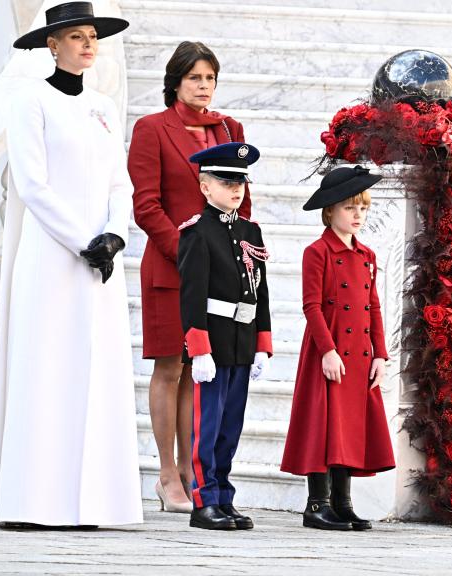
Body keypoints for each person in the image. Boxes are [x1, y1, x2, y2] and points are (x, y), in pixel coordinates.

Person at [0, 1, 142, 528]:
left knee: (95, 373)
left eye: (93, 36)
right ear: (53, 44)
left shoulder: (105, 109)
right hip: (50, 254)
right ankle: (30, 502)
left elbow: (120, 182)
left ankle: (94, 501)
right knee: (44, 369)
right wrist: (82, 239)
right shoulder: (30, 100)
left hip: (101, 262)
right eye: (77, 36)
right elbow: (33, 184)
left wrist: (114, 234)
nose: (88, 45)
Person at [128, 41, 251, 514]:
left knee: (203, 374)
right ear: (175, 81)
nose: (203, 86)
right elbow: (146, 204)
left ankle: (191, 470)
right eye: (195, 77)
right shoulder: (152, 129)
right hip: (170, 266)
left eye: (210, 78)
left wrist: (238, 256)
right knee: (170, 367)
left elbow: (243, 198)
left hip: (221, 273)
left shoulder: (230, 129)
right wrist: (191, 253)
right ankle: (165, 474)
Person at [280, 166, 394, 531]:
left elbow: (373, 305)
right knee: (324, 426)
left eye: (362, 208)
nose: (357, 215)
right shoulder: (318, 252)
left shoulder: (367, 255)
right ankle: (317, 504)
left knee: (349, 427)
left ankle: (343, 503)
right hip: (327, 352)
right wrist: (327, 351)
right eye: (349, 208)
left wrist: (380, 353)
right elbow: (311, 306)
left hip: (360, 354)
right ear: (329, 211)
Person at [177, 142, 271, 531]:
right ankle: (204, 500)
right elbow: (192, 294)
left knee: (231, 424)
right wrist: (199, 349)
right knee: (209, 424)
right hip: (213, 342)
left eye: (241, 182)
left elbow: (260, 290)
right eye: (226, 181)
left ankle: (225, 498)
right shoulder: (198, 232)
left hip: (242, 341)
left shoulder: (251, 230)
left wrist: (262, 344)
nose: (236, 189)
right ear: (205, 187)